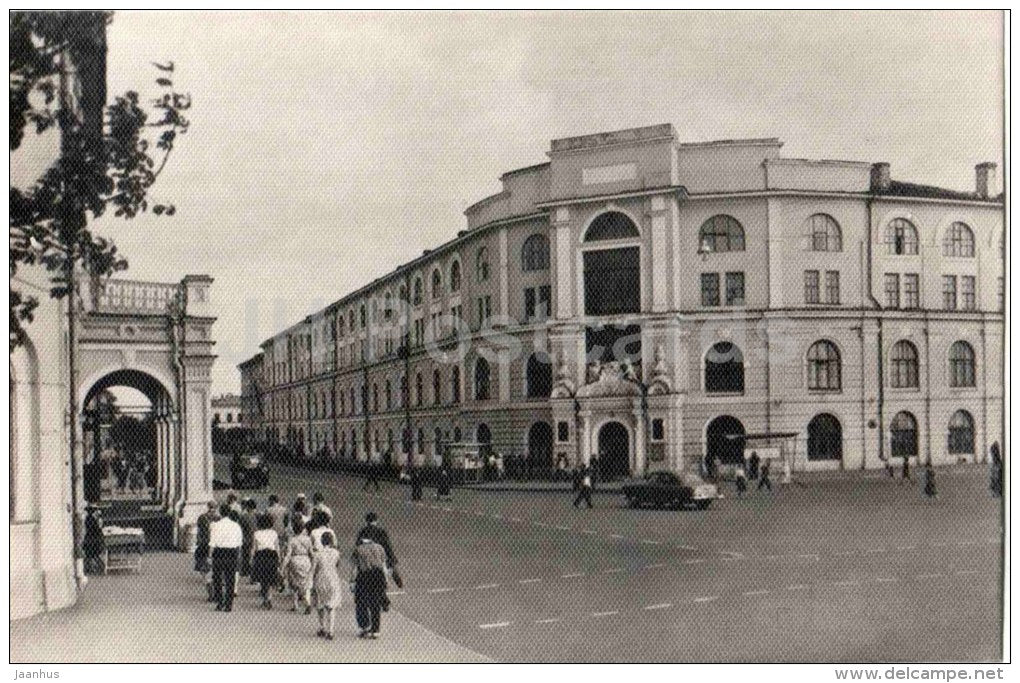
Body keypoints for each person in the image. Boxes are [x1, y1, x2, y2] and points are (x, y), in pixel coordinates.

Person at [349, 536, 389, 639]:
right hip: (378, 576)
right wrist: (386, 580)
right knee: (375, 603)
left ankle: (364, 626)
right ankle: (376, 630)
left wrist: (352, 581)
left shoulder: (358, 550)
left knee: (361, 602)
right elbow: (384, 566)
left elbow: (354, 568)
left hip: (364, 576)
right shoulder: (380, 548)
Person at [209, 504, 243, 612]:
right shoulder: (236, 526)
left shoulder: (216, 525)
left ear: (220, 512)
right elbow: (239, 542)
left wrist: (210, 556)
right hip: (232, 552)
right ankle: (229, 604)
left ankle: (219, 602)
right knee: (230, 578)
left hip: (219, 553)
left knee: (217, 578)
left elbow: (212, 543)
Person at [312, 530, 343, 640]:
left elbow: (313, 570)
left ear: (321, 541)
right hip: (332, 578)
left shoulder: (317, 554)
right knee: (331, 606)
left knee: (320, 604)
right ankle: (331, 630)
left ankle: (322, 627)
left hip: (320, 579)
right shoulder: (336, 553)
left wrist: (310, 582)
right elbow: (337, 565)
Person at [282, 516, 314, 614]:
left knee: (294, 584)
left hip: (294, 561)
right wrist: (313, 563)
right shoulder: (308, 539)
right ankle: (307, 602)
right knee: (306, 584)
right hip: (306, 560)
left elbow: (288, 555)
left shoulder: (292, 540)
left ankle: (295, 605)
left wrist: (282, 566)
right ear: (303, 529)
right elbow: (311, 553)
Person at [251, 514, 280, 609]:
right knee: (271, 578)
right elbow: (277, 547)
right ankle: (269, 598)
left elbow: (254, 548)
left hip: (261, 556)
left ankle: (265, 599)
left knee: (263, 579)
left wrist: (251, 559)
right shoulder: (274, 533)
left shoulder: (256, 533)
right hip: (272, 555)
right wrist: (279, 558)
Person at [194, 501, 218, 600]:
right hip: (216, 546)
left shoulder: (201, 517)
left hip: (203, 546)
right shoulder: (218, 518)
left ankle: (210, 591)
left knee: (204, 571)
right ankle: (215, 589)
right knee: (216, 570)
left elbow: (199, 531)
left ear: (208, 507)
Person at [238, 498, 257, 580]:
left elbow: (240, 528)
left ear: (248, 507)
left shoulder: (243, 516)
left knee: (245, 555)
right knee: (254, 555)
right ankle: (252, 571)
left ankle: (245, 571)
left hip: (246, 538)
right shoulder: (258, 515)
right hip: (256, 537)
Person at [83, 506, 105, 575]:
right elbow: (97, 529)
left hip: (90, 538)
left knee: (90, 555)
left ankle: (89, 569)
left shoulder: (89, 518)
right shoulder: (92, 519)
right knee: (93, 555)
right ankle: (99, 568)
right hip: (93, 539)